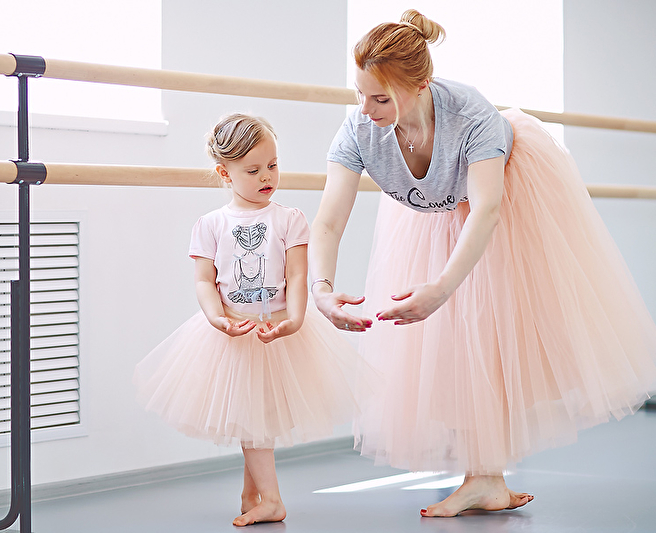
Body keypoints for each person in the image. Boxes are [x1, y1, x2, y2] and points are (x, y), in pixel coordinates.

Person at [309, 9, 656, 518]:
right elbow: (328, 220)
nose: (366, 109)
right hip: (434, 209)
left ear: (422, 86)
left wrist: (441, 287)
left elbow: (486, 210)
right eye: (359, 93)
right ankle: (486, 479)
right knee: (450, 344)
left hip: (507, 203)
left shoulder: (470, 116)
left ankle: (486, 478)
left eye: (381, 98)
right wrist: (320, 289)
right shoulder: (360, 128)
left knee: (487, 330)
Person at [134, 113, 365, 526]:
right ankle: (258, 495)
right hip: (235, 331)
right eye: (253, 170)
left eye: (273, 165)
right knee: (252, 417)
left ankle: (264, 498)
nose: (267, 176)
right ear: (225, 173)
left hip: (278, 328)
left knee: (259, 418)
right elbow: (204, 281)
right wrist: (216, 319)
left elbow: (297, 275)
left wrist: (296, 318)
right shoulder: (211, 224)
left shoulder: (289, 218)